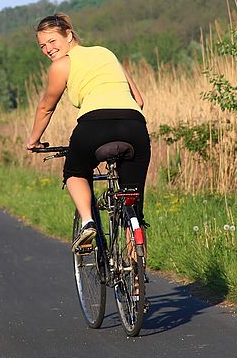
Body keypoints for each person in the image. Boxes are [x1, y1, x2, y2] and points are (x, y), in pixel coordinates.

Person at [26, 13, 151, 252]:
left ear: (69, 35)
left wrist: (34, 140)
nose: (48, 49)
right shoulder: (106, 53)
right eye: (42, 45)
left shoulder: (61, 65)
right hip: (134, 125)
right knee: (132, 206)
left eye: (52, 41)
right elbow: (140, 100)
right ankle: (136, 281)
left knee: (75, 172)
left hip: (94, 126)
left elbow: (46, 108)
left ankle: (88, 222)